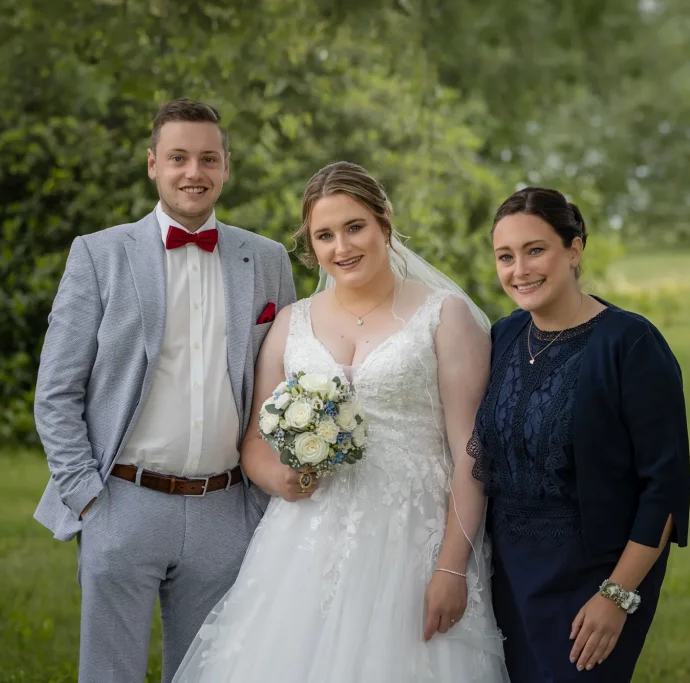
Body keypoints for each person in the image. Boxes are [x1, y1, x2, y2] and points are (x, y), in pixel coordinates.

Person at [172, 161, 509, 682]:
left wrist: (451, 566)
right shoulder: (293, 323)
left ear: (384, 222)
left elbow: (473, 450)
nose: (341, 248)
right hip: (305, 544)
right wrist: (278, 477)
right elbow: (256, 441)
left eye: (354, 227)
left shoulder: (445, 317)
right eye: (324, 235)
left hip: (411, 541)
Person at [32, 98, 297, 683]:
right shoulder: (99, 255)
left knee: (211, 673)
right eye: (178, 158)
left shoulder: (269, 261)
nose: (193, 173)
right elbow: (56, 391)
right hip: (123, 502)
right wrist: (87, 498)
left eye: (208, 158)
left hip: (227, 509)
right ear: (153, 164)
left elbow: (287, 388)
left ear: (227, 166)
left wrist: (256, 505)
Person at [470, 187, 690, 682]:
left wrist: (617, 596)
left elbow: (665, 491)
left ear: (574, 250)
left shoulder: (631, 344)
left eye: (535, 250)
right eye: (505, 257)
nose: (519, 270)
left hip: (594, 582)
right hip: (505, 578)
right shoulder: (502, 336)